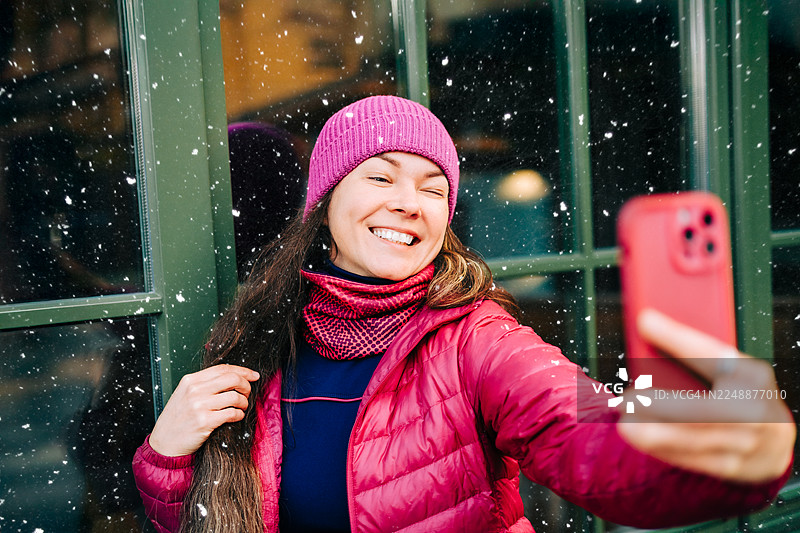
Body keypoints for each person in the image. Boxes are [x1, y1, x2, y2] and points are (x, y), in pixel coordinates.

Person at [132, 95, 795, 533]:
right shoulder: (262, 342)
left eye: (432, 186)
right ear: (326, 205)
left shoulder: (477, 341)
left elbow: (586, 428)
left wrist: (720, 455)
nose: (409, 202)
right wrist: (164, 456)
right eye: (382, 175)